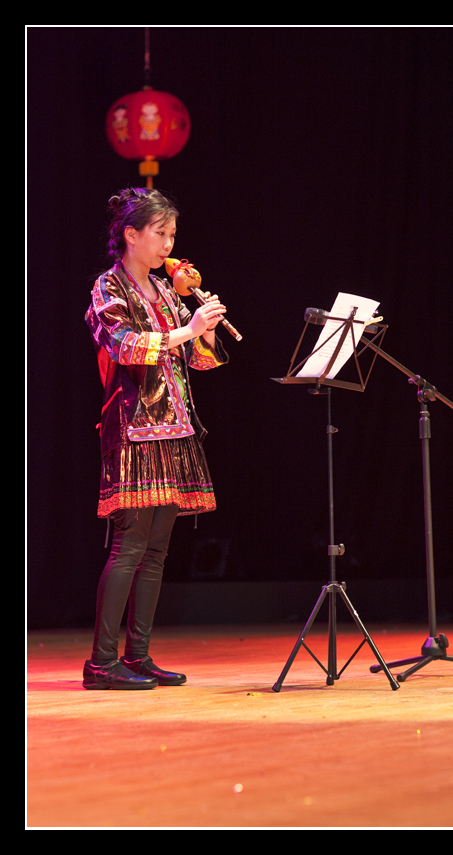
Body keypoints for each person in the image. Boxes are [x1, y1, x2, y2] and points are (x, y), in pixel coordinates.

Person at [83, 187, 228, 689]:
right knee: (130, 544)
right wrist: (186, 331)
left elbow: (200, 362)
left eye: (171, 234)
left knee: (158, 548)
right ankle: (102, 661)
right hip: (133, 430)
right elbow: (126, 347)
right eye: (159, 233)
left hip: (176, 426)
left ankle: (138, 655)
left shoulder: (166, 292)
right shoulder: (109, 288)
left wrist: (204, 327)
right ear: (130, 234)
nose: (168, 243)